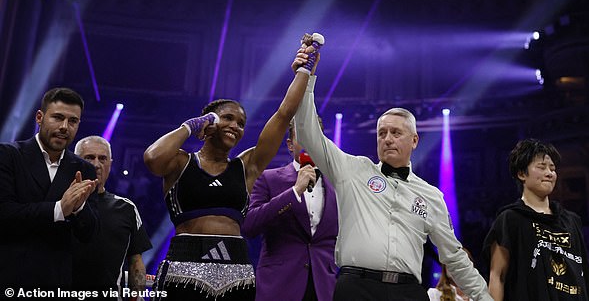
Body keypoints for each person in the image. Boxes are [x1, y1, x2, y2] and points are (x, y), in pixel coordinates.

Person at [293, 50, 493, 301]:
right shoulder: (352, 169)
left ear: (415, 140)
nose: (387, 139)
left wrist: (486, 299)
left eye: (396, 133)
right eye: (382, 133)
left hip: (407, 292)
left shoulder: (431, 195)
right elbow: (306, 131)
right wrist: (306, 77)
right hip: (356, 287)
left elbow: (453, 256)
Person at [144, 33, 324, 300]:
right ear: (209, 121)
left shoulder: (246, 166)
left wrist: (304, 70)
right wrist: (191, 126)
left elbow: (284, 113)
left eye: (240, 123)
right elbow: (152, 158)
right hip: (183, 267)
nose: (235, 127)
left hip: (236, 272)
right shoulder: (181, 162)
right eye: (227, 118)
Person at [0, 87, 98, 289]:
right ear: (39, 117)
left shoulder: (84, 169)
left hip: (56, 283)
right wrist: (60, 209)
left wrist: (79, 208)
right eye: (58, 118)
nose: (64, 127)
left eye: (72, 121)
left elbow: (89, 234)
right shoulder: (8, 155)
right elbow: (5, 213)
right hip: (9, 278)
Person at [484, 139, 589, 301]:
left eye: (552, 168)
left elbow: (586, 275)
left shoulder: (571, 220)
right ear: (521, 174)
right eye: (541, 167)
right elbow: (497, 276)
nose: (549, 173)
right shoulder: (509, 219)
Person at [243, 117, 339, 301]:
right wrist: (294, 192)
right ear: (290, 144)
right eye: (302, 136)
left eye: (315, 136)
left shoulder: (337, 185)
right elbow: (249, 225)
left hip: (323, 288)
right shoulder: (268, 179)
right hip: (279, 285)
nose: (310, 141)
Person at [73, 135, 152, 299]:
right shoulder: (60, 204)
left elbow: (136, 261)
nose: (96, 164)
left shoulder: (126, 208)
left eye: (102, 158)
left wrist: (136, 297)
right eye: (89, 158)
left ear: (110, 164)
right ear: (75, 161)